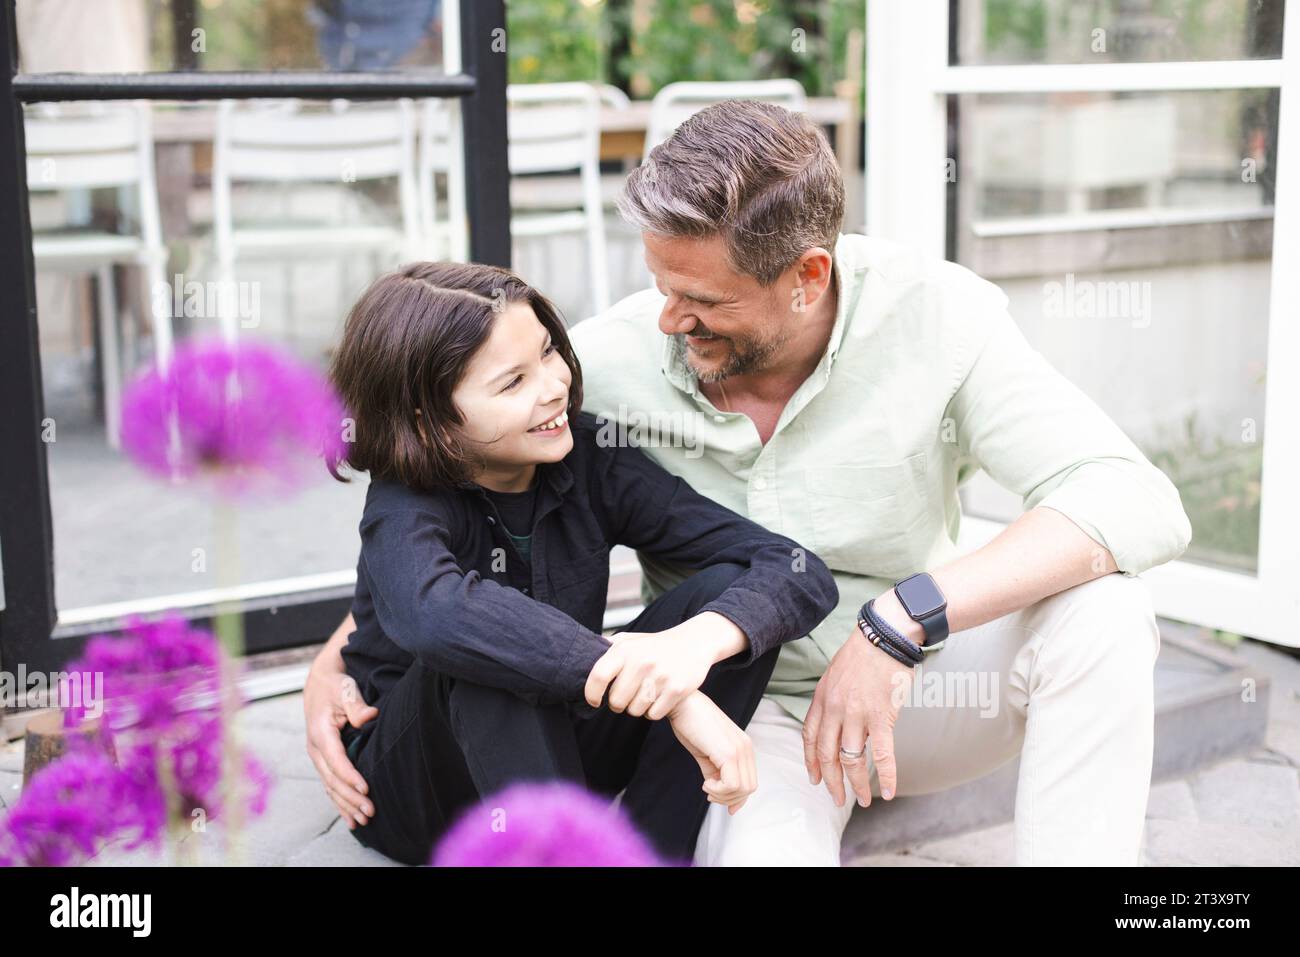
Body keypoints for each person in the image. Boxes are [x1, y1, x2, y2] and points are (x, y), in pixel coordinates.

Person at [308, 101, 1192, 866]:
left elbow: (1133, 496)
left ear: (807, 278)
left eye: (701, 298)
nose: (667, 317)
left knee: (1107, 612)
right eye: (659, 283)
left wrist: (902, 621)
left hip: (910, 687)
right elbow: (444, 533)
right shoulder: (599, 368)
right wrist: (343, 653)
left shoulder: (939, 320)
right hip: (748, 713)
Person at [320, 260, 837, 865]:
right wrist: (673, 695)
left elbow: (795, 568)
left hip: (559, 742)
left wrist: (691, 651)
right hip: (420, 789)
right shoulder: (404, 502)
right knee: (486, 656)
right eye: (512, 382)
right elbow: (434, 617)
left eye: (547, 352)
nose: (552, 385)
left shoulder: (588, 457)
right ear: (428, 418)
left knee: (724, 599)